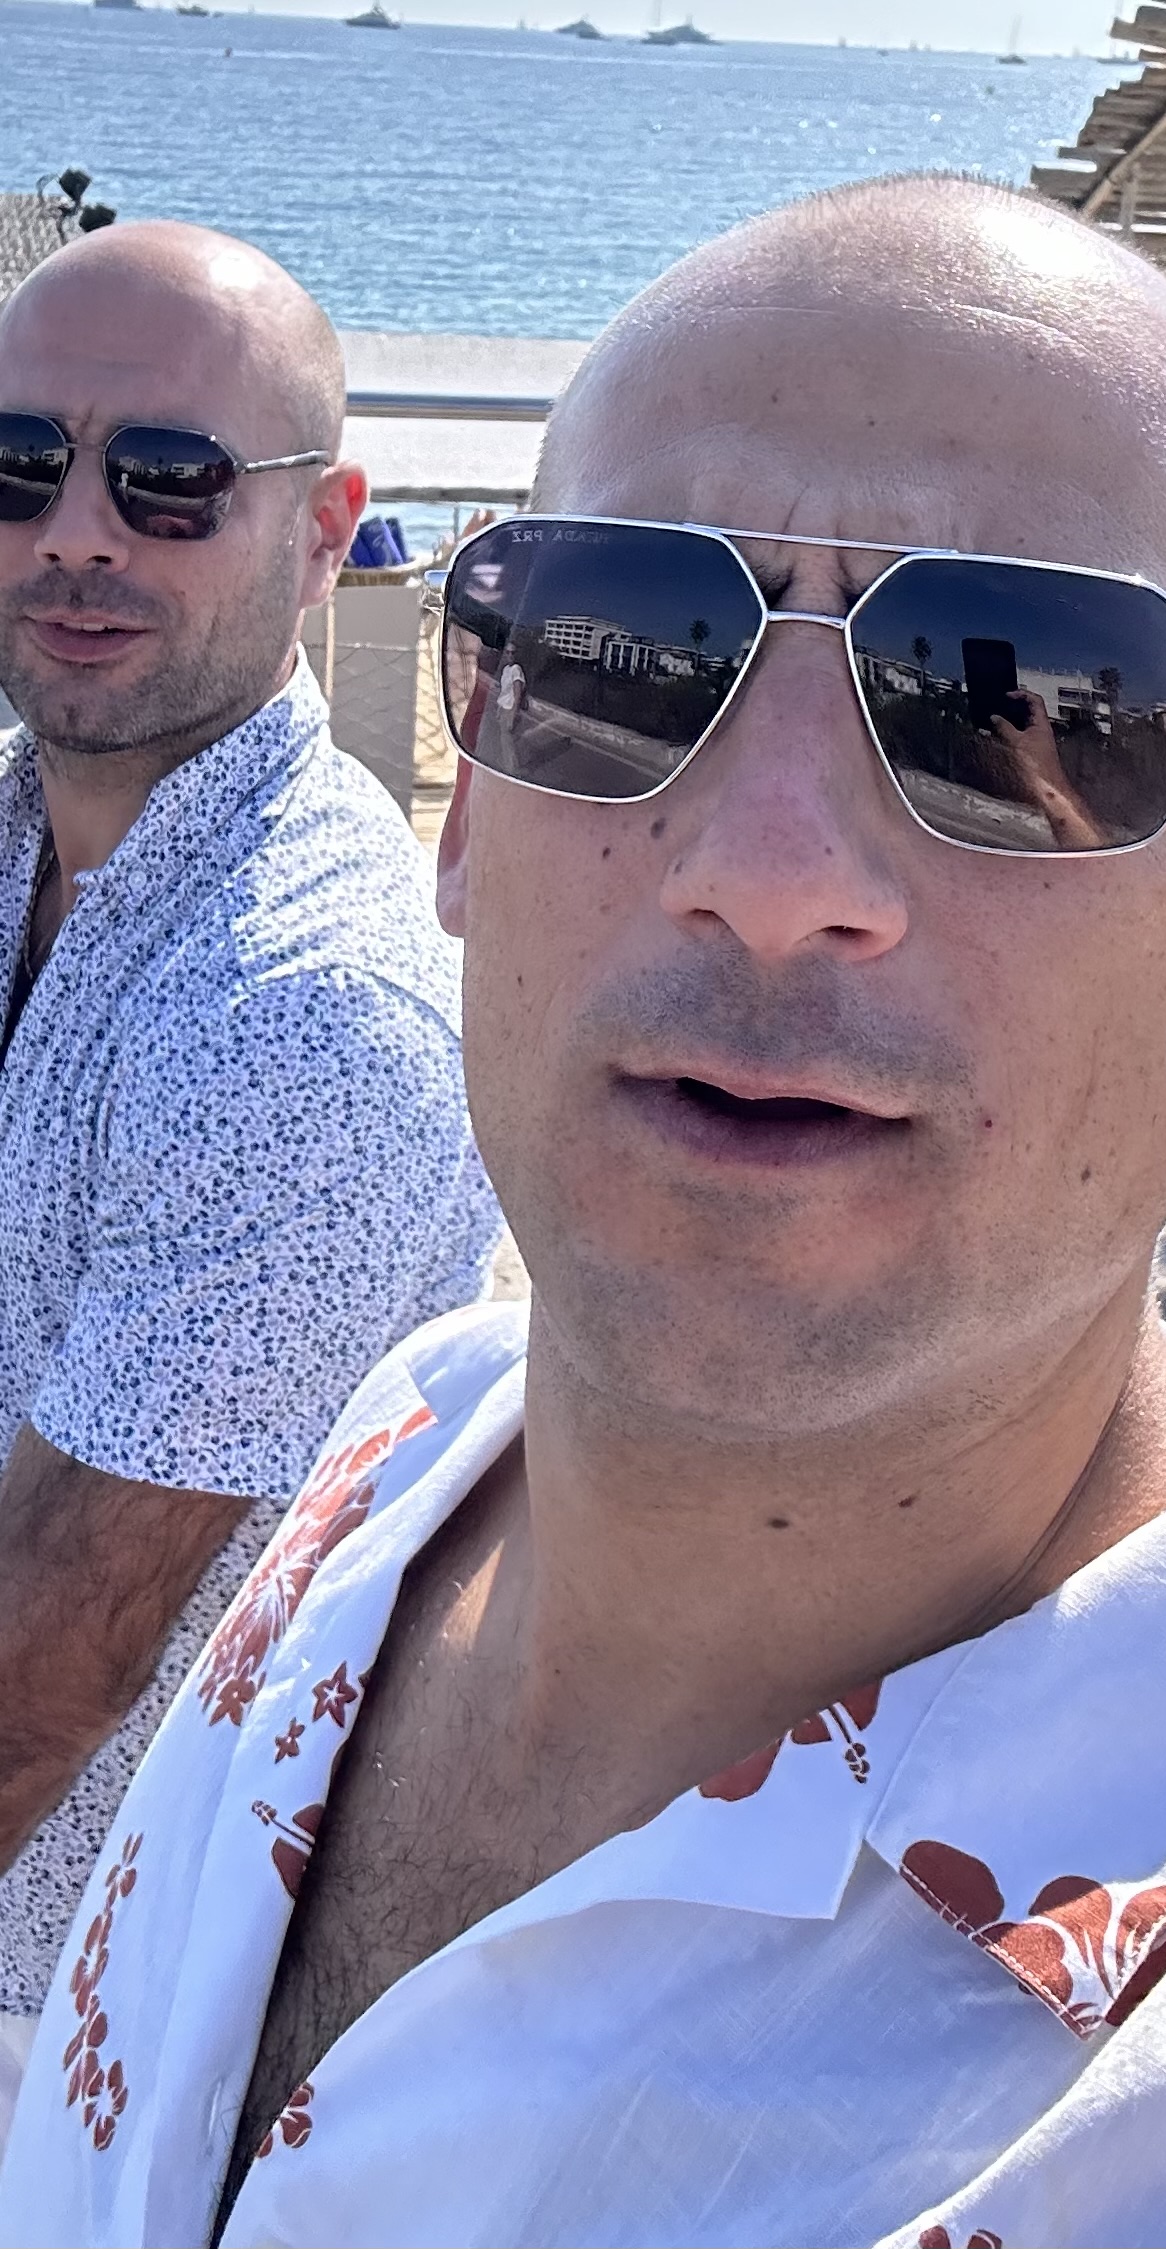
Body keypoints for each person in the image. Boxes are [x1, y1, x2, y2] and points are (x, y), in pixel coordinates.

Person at [5, 179, 1166, 2248]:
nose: (771, 869)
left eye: (1024, 704)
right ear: (473, 794)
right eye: (625, 658)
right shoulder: (406, 1446)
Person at [0, 222, 502, 2139]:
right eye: (21, 461)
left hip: (82, 2003)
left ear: (321, 531)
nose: (76, 533)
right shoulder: (28, 827)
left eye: (171, 478)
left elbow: (54, 1661)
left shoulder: (300, 1013)